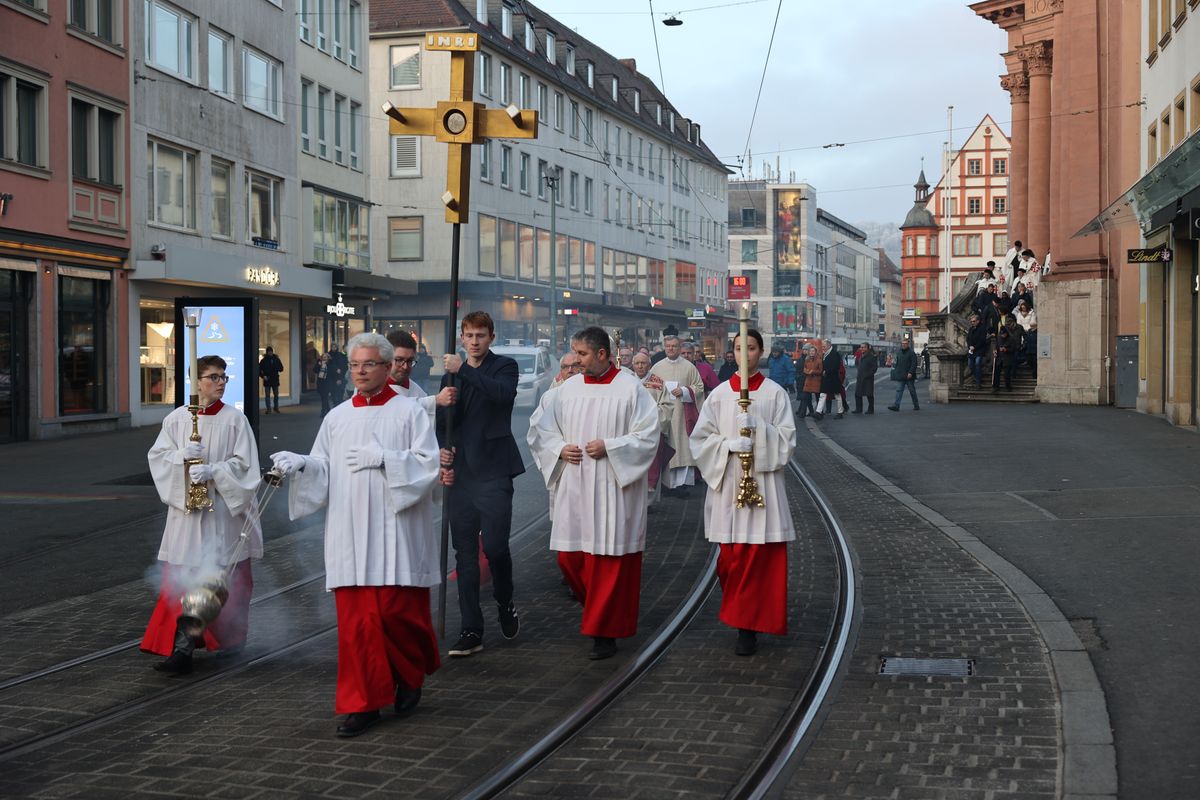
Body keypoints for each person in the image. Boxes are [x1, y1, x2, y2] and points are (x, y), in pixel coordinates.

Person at [270, 333, 440, 738]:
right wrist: (303, 464)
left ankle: (408, 675)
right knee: (357, 626)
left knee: (397, 615)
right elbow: (324, 466)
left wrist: (386, 459)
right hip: (349, 530)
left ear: (387, 367)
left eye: (369, 364)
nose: (360, 372)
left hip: (396, 531)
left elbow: (428, 465)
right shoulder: (337, 417)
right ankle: (363, 703)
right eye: (355, 365)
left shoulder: (410, 412)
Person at [527, 327, 659, 660]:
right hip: (575, 486)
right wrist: (559, 448)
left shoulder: (630, 388)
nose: (576, 360)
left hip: (614, 489)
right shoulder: (566, 390)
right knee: (569, 558)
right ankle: (599, 614)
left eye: (582, 354)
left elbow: (648, 436)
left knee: (608, 562)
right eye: (574, 353)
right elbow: (540, 429)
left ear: (602, 354)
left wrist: (611, 447)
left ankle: (604, 632)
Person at [142, 355, 262, 675]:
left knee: (221, 581)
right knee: (182, 581)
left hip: (222, 516)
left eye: (224, 377)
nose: (221, 383)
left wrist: (216, 472)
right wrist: (180, 457)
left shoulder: (235, 420)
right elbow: (158, 458)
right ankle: (182, 651)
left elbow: (247, 467)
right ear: (196, 382)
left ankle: (230, 642)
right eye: (213, 377)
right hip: (188, 516)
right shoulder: (177, 420)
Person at [689, 327, 796, 656]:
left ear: (760, 352)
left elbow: (787, 440)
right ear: (732, 352)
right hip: (728, 483)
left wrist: (760, 430)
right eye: (738, 348)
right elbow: (700, 440)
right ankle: (742, 617)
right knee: (731, 560)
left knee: (761, 559)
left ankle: (748, 626)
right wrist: (728, 445)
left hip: (764, 485)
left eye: (750, 348)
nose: (744, 354)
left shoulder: (775, 393)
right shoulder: (719, 395)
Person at [437, 311, 524, 658]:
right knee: (465, 556)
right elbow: (443, 423)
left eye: (481, 335)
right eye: (469, 335)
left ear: (491, 337)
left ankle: (504, 600)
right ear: (462, 337)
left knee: (497, 548)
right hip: (461, 476)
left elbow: (502, 396)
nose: (474, 341)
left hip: (494, 472)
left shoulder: (504, 367)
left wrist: (463, 370)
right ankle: (471, 628)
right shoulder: (450, 375)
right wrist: (444, 448)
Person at [648, 335, 705, 496]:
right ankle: (666, 485)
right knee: (666, 448)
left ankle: (682, 485)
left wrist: (685, 390)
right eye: (668, 346)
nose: (671, 349)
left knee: (682, 448)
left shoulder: (689, 367)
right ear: (664, 348)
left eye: (674, 346)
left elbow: (699, 387)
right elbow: (650, 389)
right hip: (664, 414)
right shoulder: (657, 367)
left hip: (682, 414)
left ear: (679, 348)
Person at [387, 330, 456, 417]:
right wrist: (436, 400)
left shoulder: (416, 390)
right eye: (399, 360)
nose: (405, 366)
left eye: (410, 361)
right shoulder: (374, 387)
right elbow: (394, 408)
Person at [888, 338, 920, 411]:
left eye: (905, 344)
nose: (903, 345)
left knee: (912, 391)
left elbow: (914, 364)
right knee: (899, 390)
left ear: (908, 344)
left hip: (909, 376)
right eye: (902, 343)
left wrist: (910, 372)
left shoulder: (911, 353)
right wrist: (892, 364)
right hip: (901, 375)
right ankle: (896, 406)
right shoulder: (899, 352)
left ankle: (916, 405)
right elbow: (896, 363)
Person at [818, 341, 843, 420]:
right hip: (826, 378)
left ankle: (840, 412)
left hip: (833, 378)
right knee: (822, 394)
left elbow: (836, 366)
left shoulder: (835, 354)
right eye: (822, 346)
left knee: (837, 395)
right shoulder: (824, 354)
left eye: (824, 346)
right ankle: (818, 412)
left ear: (829, 346)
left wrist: (826, 371)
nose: (823, 348)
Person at [1015, 300, 1038, 380]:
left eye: (1024, 307)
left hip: (1030, 330)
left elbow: (1033, 322)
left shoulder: (1032, 313)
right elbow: (1018, 323)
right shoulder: (1019, 314)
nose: (1023, 308)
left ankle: (1027, 361)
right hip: (1021, 332)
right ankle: (1023, 359)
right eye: (1022, 308)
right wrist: (1022, 330)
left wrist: (1028, 329)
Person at [852, 343, 877, 414]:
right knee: (857, 394)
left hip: (868, 379)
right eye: (861, 347)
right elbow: (858, 365)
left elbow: (874, 368)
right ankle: (858, 409)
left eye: (864, 347)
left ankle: (871, 409)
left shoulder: (871, 356)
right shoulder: (861, 356)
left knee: (869, 394)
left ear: (867, 348)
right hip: (860, 378)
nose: (862, 349)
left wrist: (868, 375)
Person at [798, 344, 822, 418]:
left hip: (816, 380)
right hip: (808, 380)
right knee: (805, 397)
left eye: (813, 351)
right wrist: (807, 371)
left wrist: (813, 372)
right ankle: (802, 413)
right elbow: (804, 368)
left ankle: (820, 412)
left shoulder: (819, 360)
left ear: (815, 352)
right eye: (810, 351)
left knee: (818, 397)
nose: (811, 352)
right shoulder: (807, 359)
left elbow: (820, 370)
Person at [258, 346, 284, 414]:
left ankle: (276, 408)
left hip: (275, 379)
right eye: (269, 351)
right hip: (267, 379)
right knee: (267, 396)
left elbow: (281, 368)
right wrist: (263, 376)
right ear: (267, 352)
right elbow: (259, 370)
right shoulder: (263, 361)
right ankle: (268, 409)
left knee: (276, 395)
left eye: (271, 351)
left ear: (272, 352)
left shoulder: (276, 359)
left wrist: (276, 367)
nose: (270, 353)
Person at [966, 314, 989, 388]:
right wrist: (970, 346)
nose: (972, 323)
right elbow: (968, 339)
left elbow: (982, 340)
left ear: (978, 321)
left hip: (979, 350)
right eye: (971, 321)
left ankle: (978, 382)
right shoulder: (971, 329)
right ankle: (977, 377)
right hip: (971, 350)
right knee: (970, 365)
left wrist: (975, 347)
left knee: (977, 364)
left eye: (974, 321)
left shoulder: (982, 328)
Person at [325, 343, 348, 411]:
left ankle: (339, 409)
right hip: (331, 378)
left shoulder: (341, 355)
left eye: (335, 346)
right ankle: (335, 409)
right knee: (333, 395)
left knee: (340, 394)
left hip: (341, 377)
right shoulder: (328, 355)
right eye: (332, 346)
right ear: (331, 347)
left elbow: (344, 367)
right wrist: (335, 370)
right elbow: (328, 367)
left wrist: (340, 378)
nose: (334, 348)